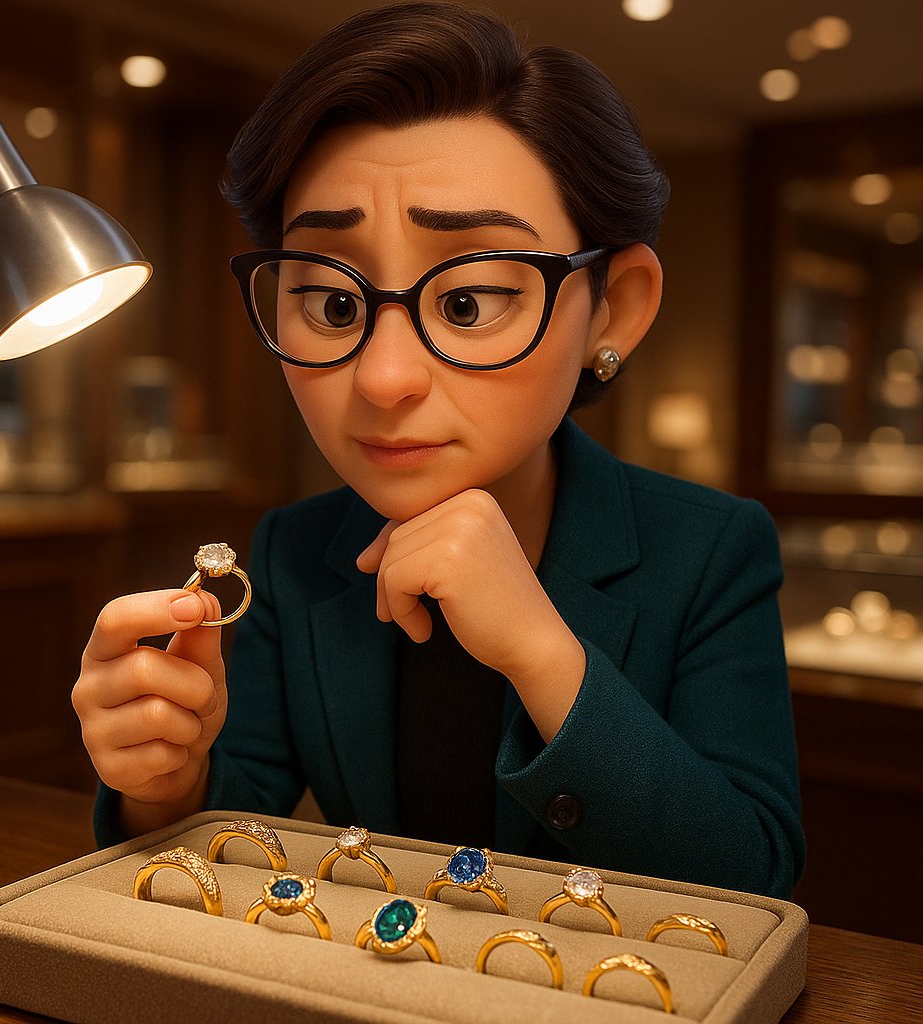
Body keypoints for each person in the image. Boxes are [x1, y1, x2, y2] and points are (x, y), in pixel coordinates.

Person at [72, 1, 804, 899]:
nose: (384, 377)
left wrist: (542, 652)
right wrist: (161, 777)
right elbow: (234, 824)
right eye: (334, 303)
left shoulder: (710, 550)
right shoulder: (296, 551)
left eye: (467, 302)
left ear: (613, 310)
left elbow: (754, 879)